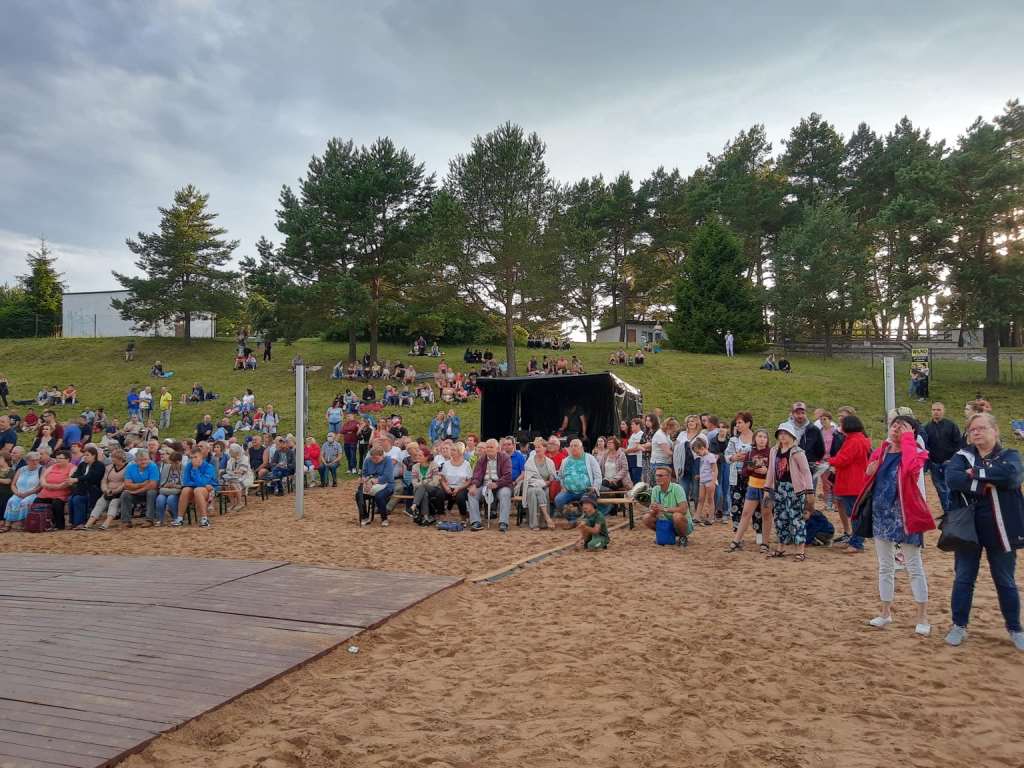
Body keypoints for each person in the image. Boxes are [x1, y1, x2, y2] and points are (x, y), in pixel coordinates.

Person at [944, 412, 1024, 650]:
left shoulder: (1010, 455)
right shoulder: (962, 456)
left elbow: (1011, 476)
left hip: (1002, 528)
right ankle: (959, 625)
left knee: (1005, 580)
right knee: (963, 578)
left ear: (995, 431)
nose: (976, 432)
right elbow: (953, 479)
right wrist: (985, 484)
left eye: (981, 428)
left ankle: (1015, 628)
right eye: (972, 430)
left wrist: (976, 473)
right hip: (967, 529)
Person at [863, 416, 934, 635]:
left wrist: (907, 439)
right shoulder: (882, 451)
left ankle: (922, 617)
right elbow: (869, 478)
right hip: (881, 515)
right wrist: (869, 471)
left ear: (912, 433)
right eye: (894, 425)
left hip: (906, 516)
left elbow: (911, 468)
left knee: (914, 566)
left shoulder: (918, 453)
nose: (896, 429)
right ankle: (885, 613)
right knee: (885, 566)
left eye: (903, 427)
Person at [763, 423, 813, 561]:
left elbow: (806, 472)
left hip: (795, 490)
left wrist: (809, 491)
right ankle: (780, 548)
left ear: (792, 436)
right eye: (780, 433)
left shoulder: (798, 452)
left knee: (796, 519)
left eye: (786, 433)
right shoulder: (774, 451)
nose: (783, 436)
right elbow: (771, 471)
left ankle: (800, 550)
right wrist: (767, 489)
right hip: (779, 488)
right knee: (780, 518)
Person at [828, 415, 873, 554]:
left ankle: (857, 543)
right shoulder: (859, 439)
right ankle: (855, 540)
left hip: (851, 482)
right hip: (856, 481)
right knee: (855, 513)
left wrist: (830, 461)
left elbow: (843, 459)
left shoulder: (853, 441)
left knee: (854, 514)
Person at [727, 428, 771, 553]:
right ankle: (736, 540)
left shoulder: (771, 453)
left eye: (764, 437)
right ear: (755, 439)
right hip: (753, 486)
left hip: (767, 488)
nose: (762, 439)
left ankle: (765, 543)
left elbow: (776, 471)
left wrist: (766, 470)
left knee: (766, 514)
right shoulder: (750, 452)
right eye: (759, 436)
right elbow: (744, 472)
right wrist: (752, 467)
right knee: (746, 513)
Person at [467, 439, 514, 532]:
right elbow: (477, 475)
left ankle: (503, 522)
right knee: (471, 494)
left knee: (505, 493)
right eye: (487, 447)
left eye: (491, 447)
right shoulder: (482, 459)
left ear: (497, 449)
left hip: (501, 485)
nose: (488, 449)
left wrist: (497, 484)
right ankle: (476, 522)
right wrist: (474, 485)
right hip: (485, 485)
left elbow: (508, 476)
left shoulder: (505, 458)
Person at [923, 402, 962, 513]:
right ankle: (946, 511)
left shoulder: (951, 426)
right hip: (934, 463)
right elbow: (925, 446)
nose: (936, 412)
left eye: (939, 410)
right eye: (934, 410)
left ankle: (953, 511)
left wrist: (953, 460)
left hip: (949, 463)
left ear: (943, 411)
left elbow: (959, 444)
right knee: (940, 489)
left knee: (950, 488)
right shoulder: (926, 428)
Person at [642, 465, 691, 547]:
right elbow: (653, 511)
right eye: (656, 475)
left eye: (660, 475)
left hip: (683, 524)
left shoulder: (677, 488)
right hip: (666, 522)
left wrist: (664, 509)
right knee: (646, 518)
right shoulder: (655, 489)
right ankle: (663, 534)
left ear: (669, 477)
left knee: (677, 516)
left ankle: (683, 537)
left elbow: (683, 509)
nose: (657, 478)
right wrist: (652, 509)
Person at [82, 449, 128, 530]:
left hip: (120, 492)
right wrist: (105, 490)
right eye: (112, 457)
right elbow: (104, 481)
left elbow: (125, 482)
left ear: (120, 459)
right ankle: (88, 523)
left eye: (114, 458)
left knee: (114, 503)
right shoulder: (109, 467)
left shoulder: (128, 468)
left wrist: (115, 491)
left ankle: (106, 523)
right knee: (100, 502)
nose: (112, 459)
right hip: (108, 491)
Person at [176, 448, 219, 528]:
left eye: (195, 457)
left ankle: (204, 519)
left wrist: (195, 469)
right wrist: (202, 484)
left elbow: (202, 482)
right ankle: (179, 519)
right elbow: (186, 482)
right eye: (191, 457)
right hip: (200, 487)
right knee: (185, 490)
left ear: (201, 456)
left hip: (210, 491)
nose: (193, 459)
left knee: (198, 490)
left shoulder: (209, 467)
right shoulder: (189, 466)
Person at [1, 452, 43, 531]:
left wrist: (28, 493)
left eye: (37, 460)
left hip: (33, 493)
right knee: (11, 500)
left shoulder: (41, 469)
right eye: (32, 460)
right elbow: (13, 484)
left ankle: (22, 522)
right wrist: (16, 492)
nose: (35, 462)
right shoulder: (21, 469)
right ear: (27, 461)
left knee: (25, 502)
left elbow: (40, 486)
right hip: (19, 493)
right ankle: (8, 523)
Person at [522, 437, 557, 530]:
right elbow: (528, 479)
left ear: (545, 448)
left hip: (545, 486)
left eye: (539, 447)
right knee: (536, 491)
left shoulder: (550, 462)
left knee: (542, 491)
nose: (537, 449)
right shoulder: (530, 462)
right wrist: (543, 482)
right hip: (530, 486)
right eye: (535, 447)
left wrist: (549, 480)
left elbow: (552, 477)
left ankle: (541, 522)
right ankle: (545, 519)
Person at [36, 449, 74, 530]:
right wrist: (45, 484)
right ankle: (38, 523)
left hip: (61, 493)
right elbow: (43, 477)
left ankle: (59, 525)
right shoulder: (53, 466)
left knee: (57, 503)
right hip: (46, 491)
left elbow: (69, 481)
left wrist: (57, 486)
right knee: (37, 502)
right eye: (57, 458)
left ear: (67, 459)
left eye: (60, 458)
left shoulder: (72, 467)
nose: (58, 460)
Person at [358, 445, 395, 527]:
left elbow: (387, 476)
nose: (374, 460)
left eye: (377, 458)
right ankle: (365, 516)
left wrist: (373, 481)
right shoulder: (368, 460)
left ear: (382, 456)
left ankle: (384, 518)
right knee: (359, 494)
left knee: (379, 496)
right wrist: (364, 480)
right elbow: (364, 473)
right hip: (370, 483)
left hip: (387, 484)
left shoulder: (388, 460)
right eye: (372, 458)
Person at [68, 445, 105, 528]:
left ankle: (80, 522)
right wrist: (71, 479)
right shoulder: (82, 464)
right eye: (84, 455)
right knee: (71, 498)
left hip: (94, 489)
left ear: (94, 456)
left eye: (87, 455)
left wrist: (77, 479)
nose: (85, 457)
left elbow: (91, 477)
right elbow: (76, 474)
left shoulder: (99, 465)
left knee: (78, 499)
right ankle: (72, 522)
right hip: (82, 488)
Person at [122, 450, 159, 527]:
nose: (143, 462)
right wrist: (142, 484)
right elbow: (127, 485)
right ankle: (126, 521)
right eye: (141, 460)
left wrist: (136, 490)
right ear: (136, 461)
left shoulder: (153, 466)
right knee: (125, 494)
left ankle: (149, 520)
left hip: (146, 492)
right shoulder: (130, 467)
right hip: (135, 492)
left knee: (151, 492)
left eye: (146, 459)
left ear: (149, 459)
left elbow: (153, 485)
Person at [410, 449, 443, 525]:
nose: (417, 457)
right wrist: (425, 481)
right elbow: (414, 483)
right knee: (424, 493)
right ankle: (426, 518)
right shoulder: (415, 467)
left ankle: (413, 506)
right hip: (419, 490)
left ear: (426, 457)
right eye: (417, 455)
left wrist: (423, 482)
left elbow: (435, 482)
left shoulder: (434, 465)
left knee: (423, 486)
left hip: (433, 489)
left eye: (420, 455)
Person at [222, 443, 254, 511]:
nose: (229, 452)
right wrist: (233, 473)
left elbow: (242, 471)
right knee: (227, 484)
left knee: (234, 484)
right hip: (233, 477)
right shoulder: (231, 460)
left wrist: (235, 473)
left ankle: (239, 503)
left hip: (246, 477)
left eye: (231, 451)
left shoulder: (244, 458)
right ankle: (232, 503)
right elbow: (228, 470)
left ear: (236, 452)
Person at [155, 451, 184, 525]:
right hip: (167, 490)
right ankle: (160, 519)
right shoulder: (166, 468)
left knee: (171, 499)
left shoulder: (184, 468)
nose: (174, 465)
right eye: (172, 463)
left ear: (180, 461)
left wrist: (175, 486)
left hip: (177, 492)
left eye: (176, 463)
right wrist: (167, 485)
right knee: (160, 499)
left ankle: (176, 518)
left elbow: (184, 485)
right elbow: (162, 484)